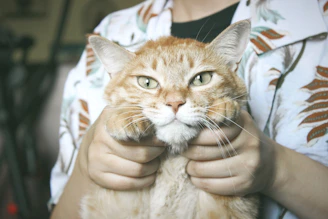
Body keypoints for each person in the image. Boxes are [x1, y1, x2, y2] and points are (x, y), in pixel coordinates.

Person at [50, 0, 328, 218]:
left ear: (233, 65)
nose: (174, 100)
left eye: (201, 78)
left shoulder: (318, 14)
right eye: (148, 82)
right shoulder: (109, 31)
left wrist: (276, 170)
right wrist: (84, 168)